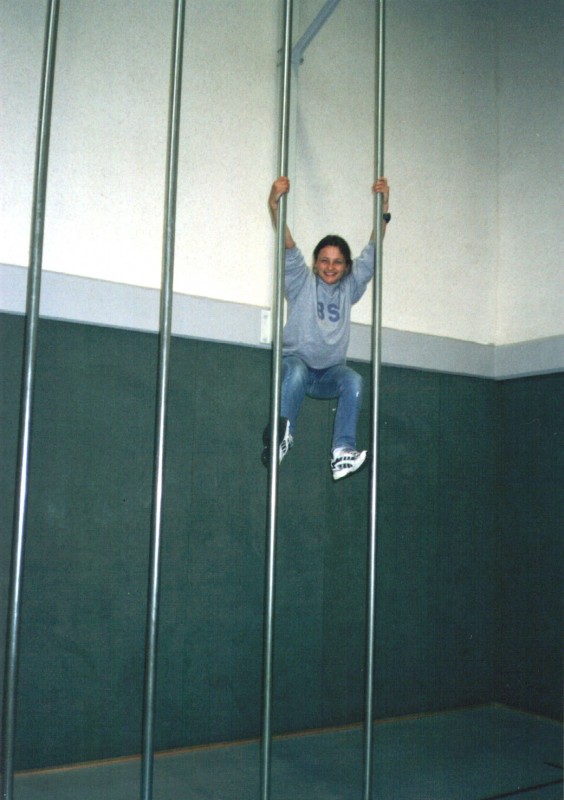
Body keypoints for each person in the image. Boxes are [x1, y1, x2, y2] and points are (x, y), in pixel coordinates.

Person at [262, 175, 390, 480]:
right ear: (315, 262)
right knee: (296, 372)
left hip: (328, 374)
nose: (330, 267)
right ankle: (281, 435)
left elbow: (373, 251)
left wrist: (384, 207)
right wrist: (274, 204)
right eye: (324, 260)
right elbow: (287, 243)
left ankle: (342, 451)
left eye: (337, 262)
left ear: (346, 266)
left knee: (354, 380)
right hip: (295, 364)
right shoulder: (300, 280)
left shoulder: (349, 288)